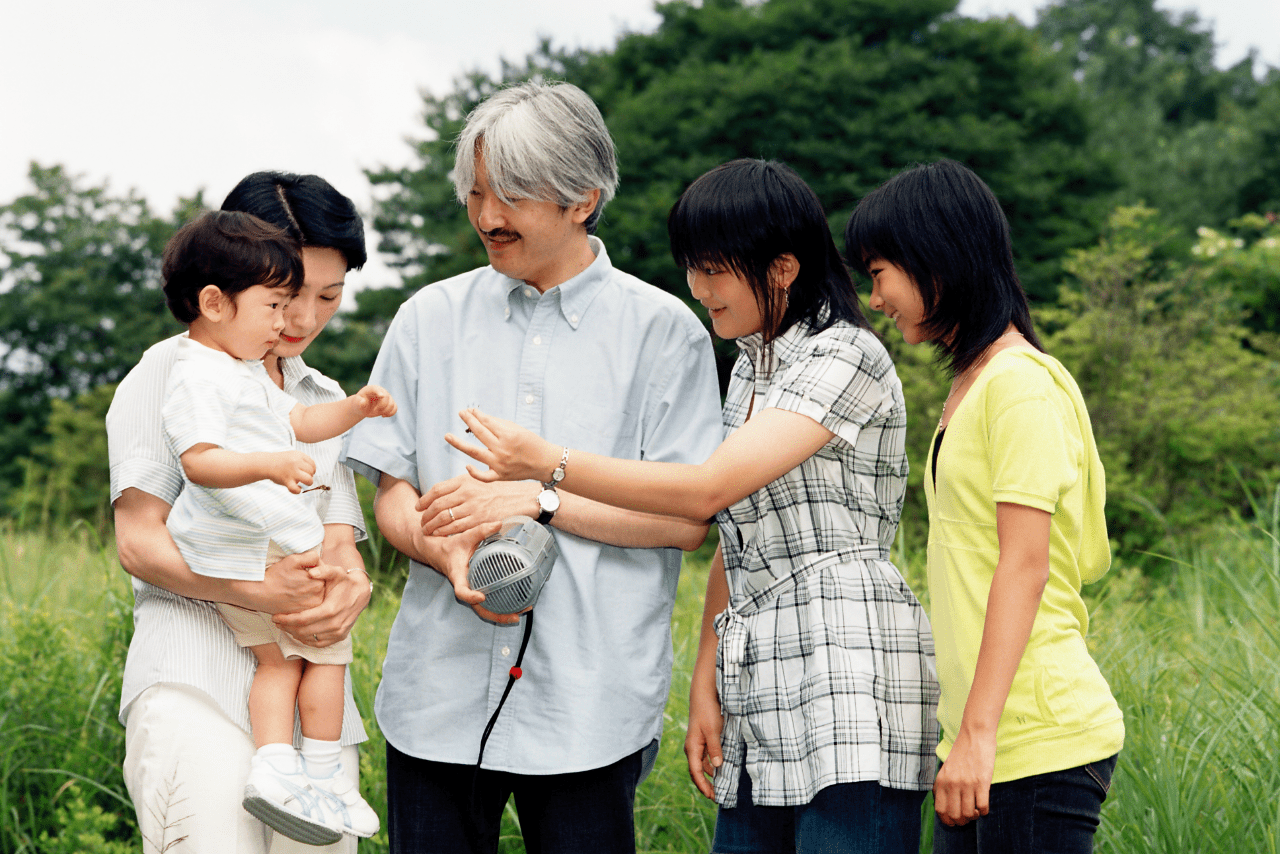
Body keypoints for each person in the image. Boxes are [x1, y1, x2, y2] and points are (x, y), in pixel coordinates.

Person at [444, 158, 939, 854]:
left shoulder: (846, 356)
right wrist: (705, 684)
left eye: (713, 269)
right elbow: (734, 541)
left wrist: (547, 463)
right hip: (760, 676)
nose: (697, 289)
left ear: (784, 269)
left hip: (847, 669)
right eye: (691, 268)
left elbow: (706, 489)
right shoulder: (748, 371)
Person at [339, 80, 723, 854]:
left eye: (509, 194)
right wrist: (441, 550)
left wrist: (542, 498)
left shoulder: (664, 333)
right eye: (475, 193)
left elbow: (686, 522)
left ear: (583, 198)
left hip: (590, 701)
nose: (486, 216)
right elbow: (393, 492)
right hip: (435, 694)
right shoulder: (426, 319)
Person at [843, 159, 1125, 853]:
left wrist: (978, 734)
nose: (875, 298)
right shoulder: (976, 382)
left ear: (936, 261)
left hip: (1032, 737)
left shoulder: (1019, 387)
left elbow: (1024, 566)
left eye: (880, 273)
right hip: (988, 737)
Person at [108, 171, 376, 854]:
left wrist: (350, 586)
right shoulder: (170, 374)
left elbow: (341, 542)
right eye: (288, 296)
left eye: (329, 295)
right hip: (196, 680)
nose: (305, 320)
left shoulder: (321, 397)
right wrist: (255, 592)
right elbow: (139, 543)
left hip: (313, 713)